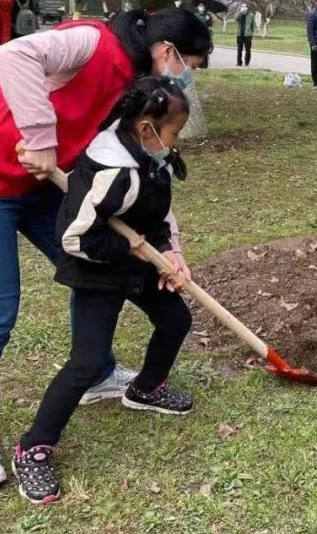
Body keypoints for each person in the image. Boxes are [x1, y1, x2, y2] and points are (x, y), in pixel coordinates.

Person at [0, 6, 211, 492]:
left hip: (46, 186)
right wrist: (41, 137)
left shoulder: (140, 95)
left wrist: (173, 246)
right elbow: (15, 53)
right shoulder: (91, 42)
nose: (185, 77)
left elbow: (147, 180)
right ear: (169, 52)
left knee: (90, 265)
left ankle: (100, 372)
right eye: (189, 64)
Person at [12, 77, 195, 504]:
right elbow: (72, 239)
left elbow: (159, 212)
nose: (176, 142)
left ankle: (147, 388)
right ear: (146, 127)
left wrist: (170, 252)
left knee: (176, 319)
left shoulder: (151, 156)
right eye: (173, 133)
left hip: (137, 256)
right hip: (97, 265)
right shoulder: (111, 170)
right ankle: (34, 448)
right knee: (88, 360)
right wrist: (125, 247)